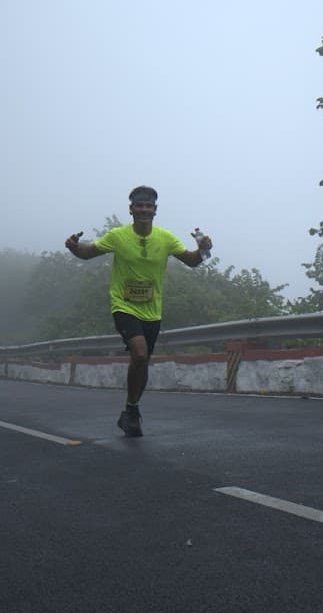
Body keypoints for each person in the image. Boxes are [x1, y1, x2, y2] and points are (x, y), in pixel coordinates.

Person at [64, 185, 212, 437]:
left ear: (155, 211)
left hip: (152, 311)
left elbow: (192, 261)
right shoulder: (118, 236)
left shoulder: (165, 238)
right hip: (123, 305)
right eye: (139, 206)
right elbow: (88, 253)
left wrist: (203, 249)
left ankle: (131, 410)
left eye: (149, 206)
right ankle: (132, 410)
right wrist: (74, 247)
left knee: (141, 361)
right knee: (140, 354)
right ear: (131, 209)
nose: (144, 210)